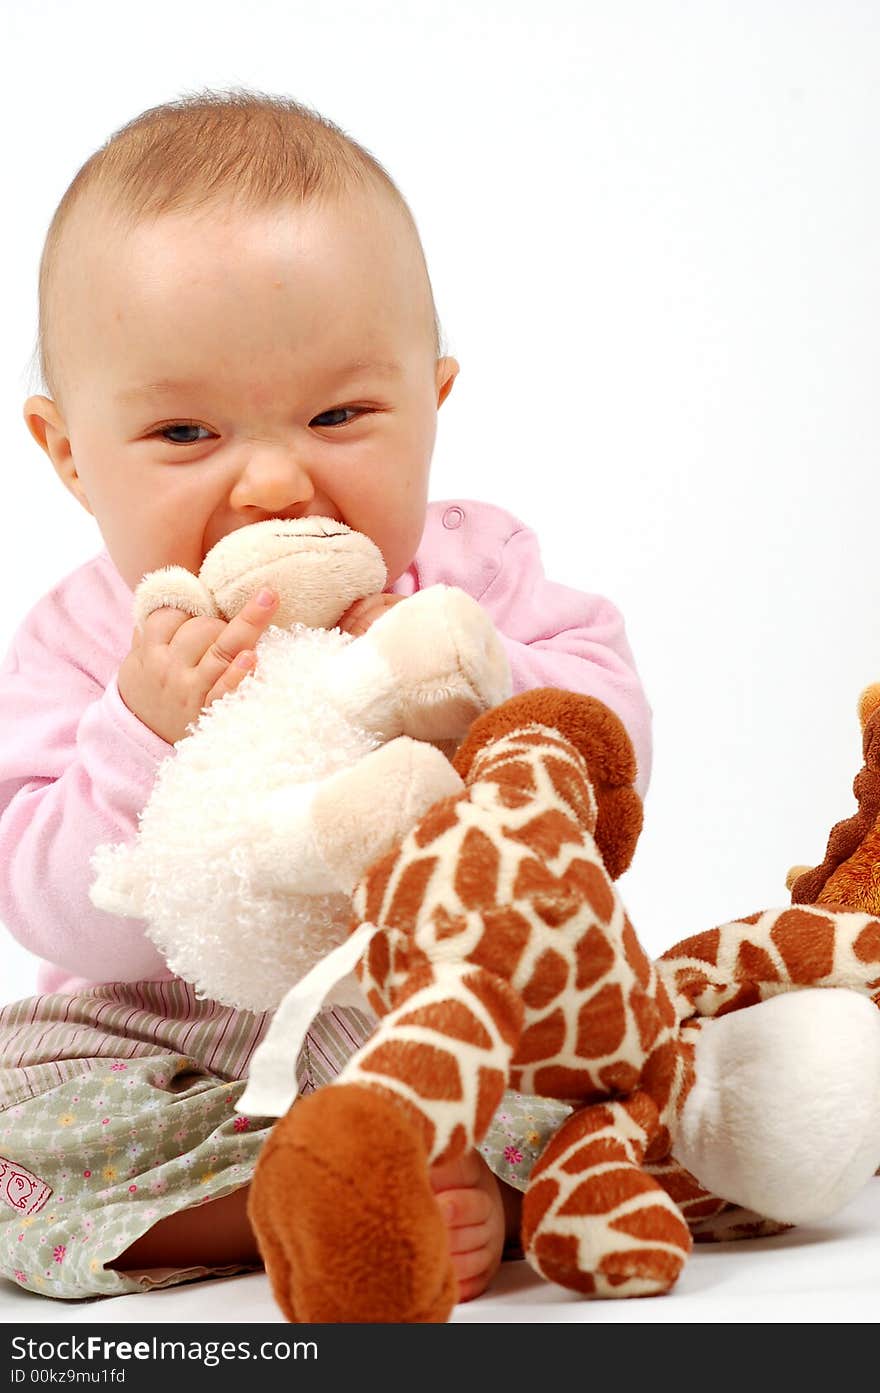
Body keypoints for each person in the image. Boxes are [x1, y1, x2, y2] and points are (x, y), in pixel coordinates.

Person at [0, 88, 651, 1305]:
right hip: (160, 1037)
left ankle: (462, 1166)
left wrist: (466, 676)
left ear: (433, 402)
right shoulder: (87, 637)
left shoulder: (474, 575)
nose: (274, 481)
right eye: (186, 432)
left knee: (605, 1054)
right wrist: (141, 730)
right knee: (9, 1129)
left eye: (341, 414)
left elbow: (605, 770)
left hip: (421, 998)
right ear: (69, 452)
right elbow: (49, 908)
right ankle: (263, 1200)